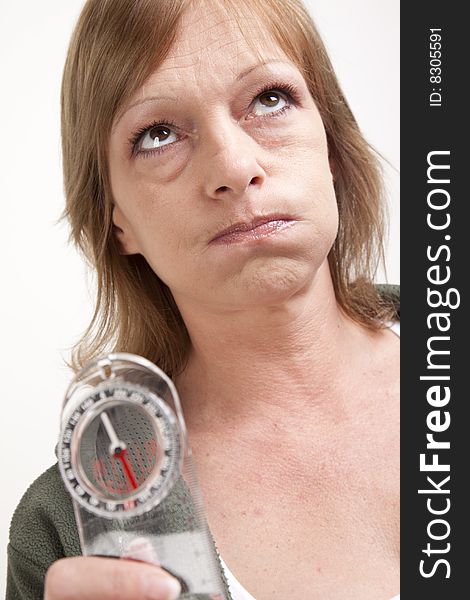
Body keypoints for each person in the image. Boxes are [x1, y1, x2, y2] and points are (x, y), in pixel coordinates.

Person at [6, 0, 400, 599]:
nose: (235, 167)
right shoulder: (65, 527)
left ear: (332, 143)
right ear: (119, 224)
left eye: (269, 99)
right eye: (158, 135)